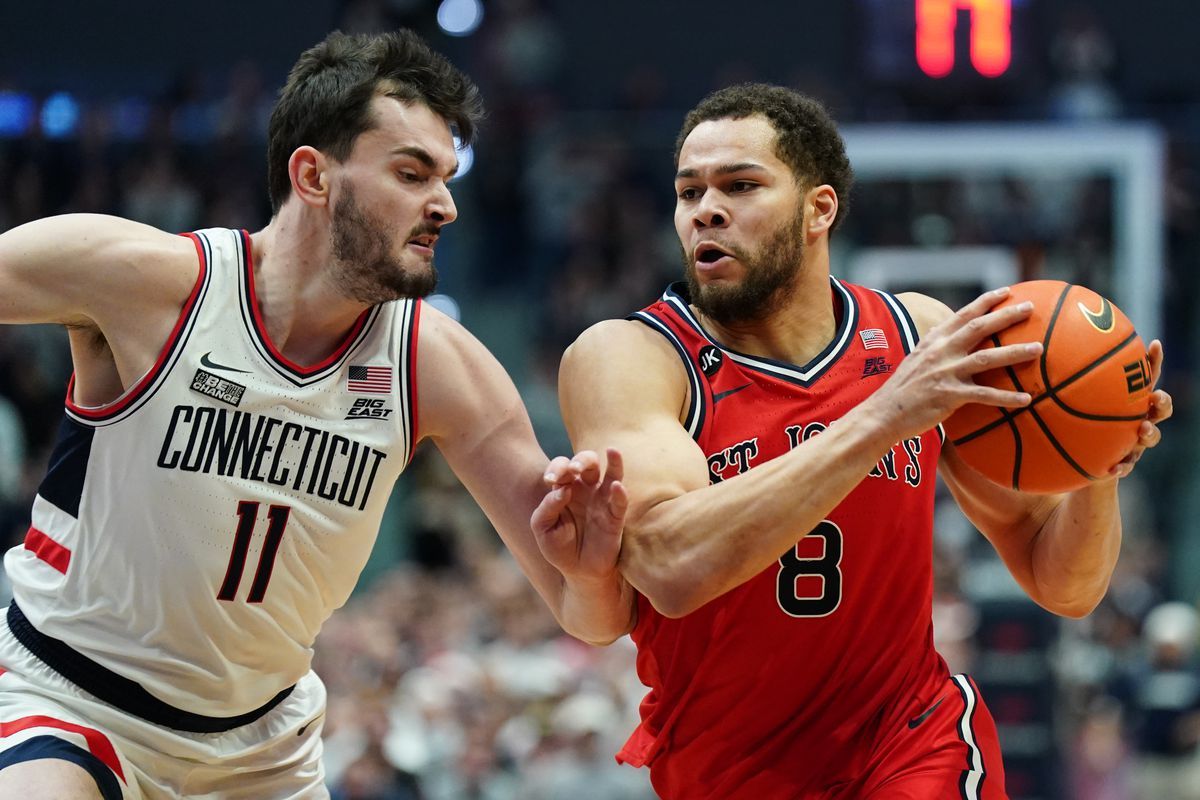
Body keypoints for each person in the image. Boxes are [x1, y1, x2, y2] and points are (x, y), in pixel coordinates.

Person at [0, 29, 631, 800]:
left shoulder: (439, 365)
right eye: (412, 172)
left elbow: (588, 615)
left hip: (260, 750)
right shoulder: (146, 283)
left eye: (447, 177)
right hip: (70, 698)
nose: (445, 204)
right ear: (314, 176)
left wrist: (592, 566)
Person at [558, 83, 1173, 799]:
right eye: (689, 191)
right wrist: (887, 414)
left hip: (907, 739)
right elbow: (669, 563)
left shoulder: (919, 336)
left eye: (741, 185)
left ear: (819, 209)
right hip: (726, 769)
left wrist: (1096, 458)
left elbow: (1061, 581)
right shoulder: (632, 357)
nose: (707, 210)